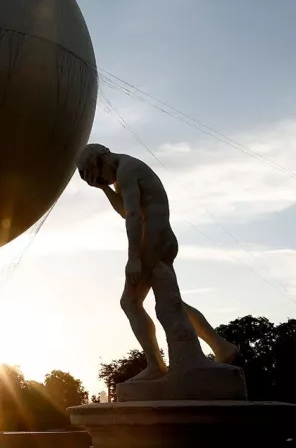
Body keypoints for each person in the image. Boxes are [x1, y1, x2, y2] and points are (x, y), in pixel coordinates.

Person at [76, 143, 238, 382]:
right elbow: (124, 209)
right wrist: (104, 189)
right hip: (159, 238)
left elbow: (133, 215)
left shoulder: (127, 170)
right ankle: (220, 345)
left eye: (100, 175)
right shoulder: (123, 171)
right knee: (170, 302)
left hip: (153, 240)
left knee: (131, 302)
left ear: (104, 158)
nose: (104, 180)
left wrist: (133, 258)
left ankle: (156, 365)